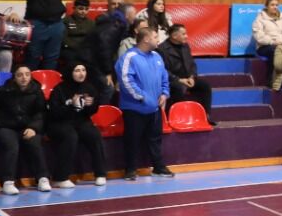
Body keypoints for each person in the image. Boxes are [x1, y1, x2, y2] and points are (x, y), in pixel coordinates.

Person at [0, 65, 52, 194]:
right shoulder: (3, 91)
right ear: (14, 78)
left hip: (27, 127)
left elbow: (41, 113)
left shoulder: (37, 92)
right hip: (6, 127)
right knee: (11, 146)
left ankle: (42, 178)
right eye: (20, 75)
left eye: (27, 74)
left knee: (35, 143)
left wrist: (34, 127)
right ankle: (7, 182)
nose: (24, 77)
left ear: (31, 77)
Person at [117, 25, 172, 181]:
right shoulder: (129, 57)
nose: (158, 40)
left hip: (154, 108)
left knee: (155, 139)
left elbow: (164, 77)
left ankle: (158, 167)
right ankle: (130, 170)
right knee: (132, 140)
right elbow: (125, 80)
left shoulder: (157, 56)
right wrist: (141, 97)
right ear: (146, 39)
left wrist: (165, 93)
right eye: (155, 37)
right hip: (134, 108)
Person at [46, 62, 108, 186]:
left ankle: (100, 174)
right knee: (70, 136)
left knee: (94, 134)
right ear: (70, 73)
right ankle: (60, 178)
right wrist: (71, 106)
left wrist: (91, 105)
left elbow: (92, 111)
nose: (81, 73)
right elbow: (54, 113)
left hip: (81, 121)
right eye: (77, 70)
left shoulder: (89, 88)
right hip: (59, 122)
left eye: (83, 70)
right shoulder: (59, 89)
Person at [21, 0, 75, 70]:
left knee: (52, 57)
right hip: (37, 23)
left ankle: (49, 79)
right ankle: (31, 80)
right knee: (33, 55)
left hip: (56, 23)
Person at [158, 24, 214, 124]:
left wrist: (192, 77)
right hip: (173, 80)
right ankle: (179, 118)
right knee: (179, 88)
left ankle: (206, 116)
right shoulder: (162, 49)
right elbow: (163, 70)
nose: (186, 36)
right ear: (174, 36)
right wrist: (179, 80)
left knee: (205, 86)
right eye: (183, 34)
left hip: (188, 78)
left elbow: (192, 64)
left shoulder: (185, 46)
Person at [60, 0, 97, 70]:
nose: (83, 11)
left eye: (86, 9)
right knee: (72, 58)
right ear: (74, 8)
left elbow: (93, 38)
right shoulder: (66, 21)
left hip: (86, 50)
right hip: (70, 50)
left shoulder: (92, 23)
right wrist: (78, 47)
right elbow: (64, 39)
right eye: (81, 9)